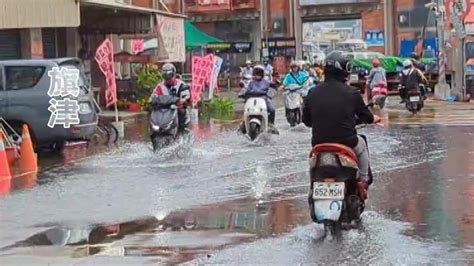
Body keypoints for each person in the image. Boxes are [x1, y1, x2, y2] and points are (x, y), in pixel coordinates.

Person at [302, 54, 381, 186]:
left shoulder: (312, 93)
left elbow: (306, 121)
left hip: (319, 143)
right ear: (345, 70)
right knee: (361, 144)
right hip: (347, 142)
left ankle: (313, 186)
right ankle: (363, 180)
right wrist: (374, 118)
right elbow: (366, 117)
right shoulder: (352, 93)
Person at [150, 63, 191, 133]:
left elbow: (186, 95)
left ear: (174, 74)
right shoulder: (159, 86)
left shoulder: (181, 84)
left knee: (181, 111)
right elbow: (154, 96)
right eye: (165, 76)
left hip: (177, 109)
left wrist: (183, 100)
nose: (168, 78)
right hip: (164, 110)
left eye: (169, 75)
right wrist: (152, 100)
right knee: (152, 110)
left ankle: (182, 130)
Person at [239, 65, 279, 134]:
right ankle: (244, 123)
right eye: (256, 73)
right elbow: (246, 89)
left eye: (259, 73)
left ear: (262, 74)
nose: (258, 75)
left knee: (272, 109)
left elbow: (273, 86)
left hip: (263, 99)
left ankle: (271, 124)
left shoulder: (266, 81)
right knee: (246, 110)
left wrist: (276, 83)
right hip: (251, 99)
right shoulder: (251, 82)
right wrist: (242, 94)